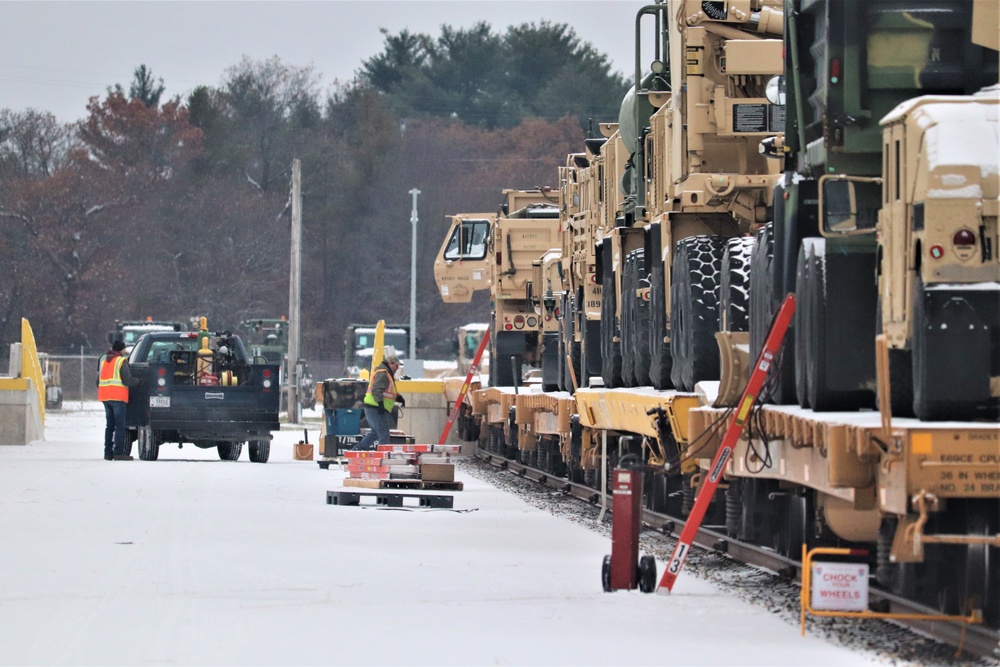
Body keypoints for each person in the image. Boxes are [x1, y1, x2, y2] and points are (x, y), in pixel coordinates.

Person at [351, 354, 403, 451]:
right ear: (390, 364)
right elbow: (377, 390)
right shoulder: (383, 373)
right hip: (375, 407)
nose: (397, 368)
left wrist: (398, 397)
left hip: (372, 407)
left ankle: (357, 449)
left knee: (375, 433)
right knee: (384, 434)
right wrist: (380, 404)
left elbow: (387, 391)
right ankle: (383, 456)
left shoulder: (385, 373)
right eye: (396, 365)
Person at [97, 340, 139, 461]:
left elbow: (97, 381)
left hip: (105, 397)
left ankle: (108, 453)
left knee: (109, 426)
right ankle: (119, 453)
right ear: (121, 350)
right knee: (119, 426)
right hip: (118, 397)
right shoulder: (121, 361)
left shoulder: (104, 362)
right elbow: (127, 380)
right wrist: (138, 381)